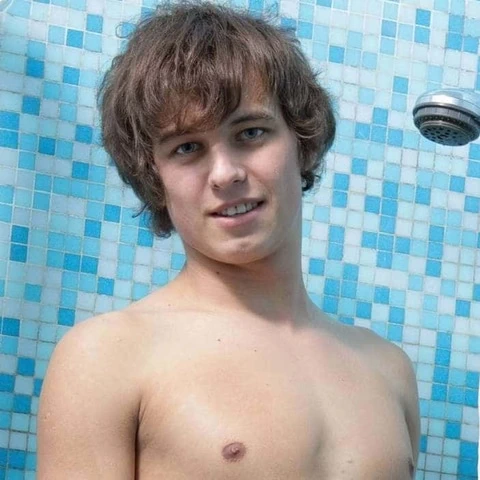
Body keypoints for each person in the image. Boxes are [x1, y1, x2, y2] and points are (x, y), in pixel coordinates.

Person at [37, 1, 420, 478]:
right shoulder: (106, 357)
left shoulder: (388, 371)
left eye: (251, 132)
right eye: (187, 148)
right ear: (154, 177)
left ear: (301, 142)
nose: (225, 173)